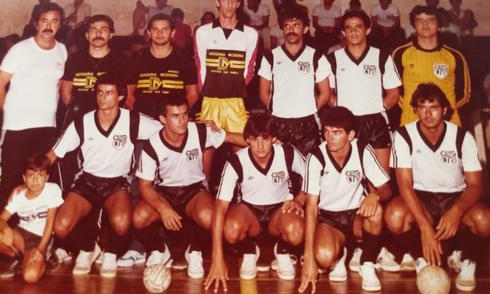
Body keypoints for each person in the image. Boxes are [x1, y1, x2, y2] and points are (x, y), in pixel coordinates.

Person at [48, 74, 162, 278]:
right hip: (87, 181)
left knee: (121, 222)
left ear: (119, 96)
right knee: (61, 226)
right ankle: (88, 247)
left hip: (117, 183)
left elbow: (169, 129)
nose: (103, 97)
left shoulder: (133, 120)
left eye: (109, 93)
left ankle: (111, 253)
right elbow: (54, 153)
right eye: (100, 92)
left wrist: (206, 128)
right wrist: (36, 171)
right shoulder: (82, 122)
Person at [384, 83, 490, 291]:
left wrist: (457, 212)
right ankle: (419, 257)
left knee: (484, 220)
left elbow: (476, 185)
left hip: (455, 196)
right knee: (394, 216)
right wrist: (425, 227)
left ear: (444, 109)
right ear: (415, 109)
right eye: (422, 107)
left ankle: (466, 259)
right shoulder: (403, 135)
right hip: (420, 196)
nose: (427, 114)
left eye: (433, 107)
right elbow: (404, 185)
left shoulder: (462, 137)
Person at [132, 94, 246, 279]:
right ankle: (159, 250)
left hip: (193, 191)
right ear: (163, 119)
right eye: (175, 116)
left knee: (211, 217)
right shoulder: (152, 145)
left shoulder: (200, 131)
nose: (182, 120)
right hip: (164, 192)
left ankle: (195, 251)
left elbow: (233, 137)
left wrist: (268, 143)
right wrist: (163, 208)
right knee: (138, 218)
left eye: (185, 114)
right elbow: (144, 186)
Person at [205, 114, 306, 290]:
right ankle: (249, 249)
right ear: (247, 140)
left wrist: (299, 199)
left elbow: (312, 178)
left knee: (297, 232)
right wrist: (217, 258)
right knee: (230, 230)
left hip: (280, 211)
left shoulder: (288, 153)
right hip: (250, 212)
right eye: (254, 139)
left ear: (274, 139)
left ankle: (282, 250)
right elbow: (219, 208)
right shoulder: (236, 161)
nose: (260, 145)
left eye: (265, 139)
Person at [299, 106, 392, 293]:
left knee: (376, 211)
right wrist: (308, 258)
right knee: (324, 258)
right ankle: (342, 253)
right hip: (328, 218)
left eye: (336, 132)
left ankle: (367, 262)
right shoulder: (316, 156)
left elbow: (387, 190)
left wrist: (374, 195)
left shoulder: (362, 149)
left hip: (356, 214)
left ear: (350, 135)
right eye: (326, 131)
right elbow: (310, 208)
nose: (329, 137)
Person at [0, 2, 67, 208]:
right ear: (35, 24)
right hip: (17, 125)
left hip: (47, 126)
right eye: (44, 21)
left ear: (60, 24)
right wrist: (8, 111)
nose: (49, 26)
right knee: (11, 178)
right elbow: (0, 83)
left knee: (39, 179)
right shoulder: (20, 49)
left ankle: (31, 228)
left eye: (54, 21)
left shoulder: (62, 50)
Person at [326, 10, 401, 172]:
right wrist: (341, 110)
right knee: (350, 175)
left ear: (367, 30)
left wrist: (375, 108)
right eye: (349, 28)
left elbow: (394, 94)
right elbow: (327, 93)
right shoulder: (332, 59)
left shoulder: (381, 56)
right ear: (343, 32)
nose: (353, 31)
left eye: (358, 27)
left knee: (382, 179)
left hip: (376, 122)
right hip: (346, 123)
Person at [259, 7, 331, 156]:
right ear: (282, 30)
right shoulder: (270, 57)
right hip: (278, 122)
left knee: (308, 169)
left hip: (308, 123)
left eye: (296, 25)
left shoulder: (316, 57)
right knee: (280, 169)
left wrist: (308, 108)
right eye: (287, 26)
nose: (291, 30)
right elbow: (263, 92)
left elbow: (325, 93)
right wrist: (278, 110)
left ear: (305, 29)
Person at [194, 0, 258, 135]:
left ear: (239, 3)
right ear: (217, 2)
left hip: (236, 102)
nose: (229, 4)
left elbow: (249, 68)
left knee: (242, 149)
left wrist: (234, 88)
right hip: (210, 101)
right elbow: (200, 65)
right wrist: (208, 92)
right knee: (207, 151)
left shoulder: (250, 34)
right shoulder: (203, 32)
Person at [392, 5, 471, 126]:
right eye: (420, 21)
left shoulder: (455, 56)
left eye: (430, 20)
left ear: (439, 26)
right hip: (411, 121)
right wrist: (416, 109)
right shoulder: (400, 54)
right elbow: (395, 92)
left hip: (448, 121)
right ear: (413, 26)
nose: (425, 24)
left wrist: (443, 110)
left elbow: (464, 94)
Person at [0, 154, 63, 281]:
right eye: (31, 175)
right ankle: (16, 258)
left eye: (40, 175)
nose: (35, 180)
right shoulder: (18, 195)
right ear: (24, 178)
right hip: (21, 236)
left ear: (47, 177)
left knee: (30, 277)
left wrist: (40, 249)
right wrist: (6, 229)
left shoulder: (52, 190)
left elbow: (50, 223)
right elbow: (2, 218)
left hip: (40, 239)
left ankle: (46, 257)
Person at [126, 13, 198, 118]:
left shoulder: (185, 59)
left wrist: (181, 118)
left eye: (165, 29)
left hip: (173, 121)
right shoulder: (137, 58)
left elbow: (192, 95)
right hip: (142, 120)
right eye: (155, 29)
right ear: (149, 33)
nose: (160, 33)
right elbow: (129, 95)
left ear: (172, 33)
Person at [61, 14, 129, 124]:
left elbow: (127, 95)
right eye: (94, 30)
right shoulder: (75, 59)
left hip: (110, 119)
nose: (98, 34)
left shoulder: (121, 60)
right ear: (87, 35)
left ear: (111, 35)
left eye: (104, 29)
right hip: (79, 119)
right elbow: (65, 93)